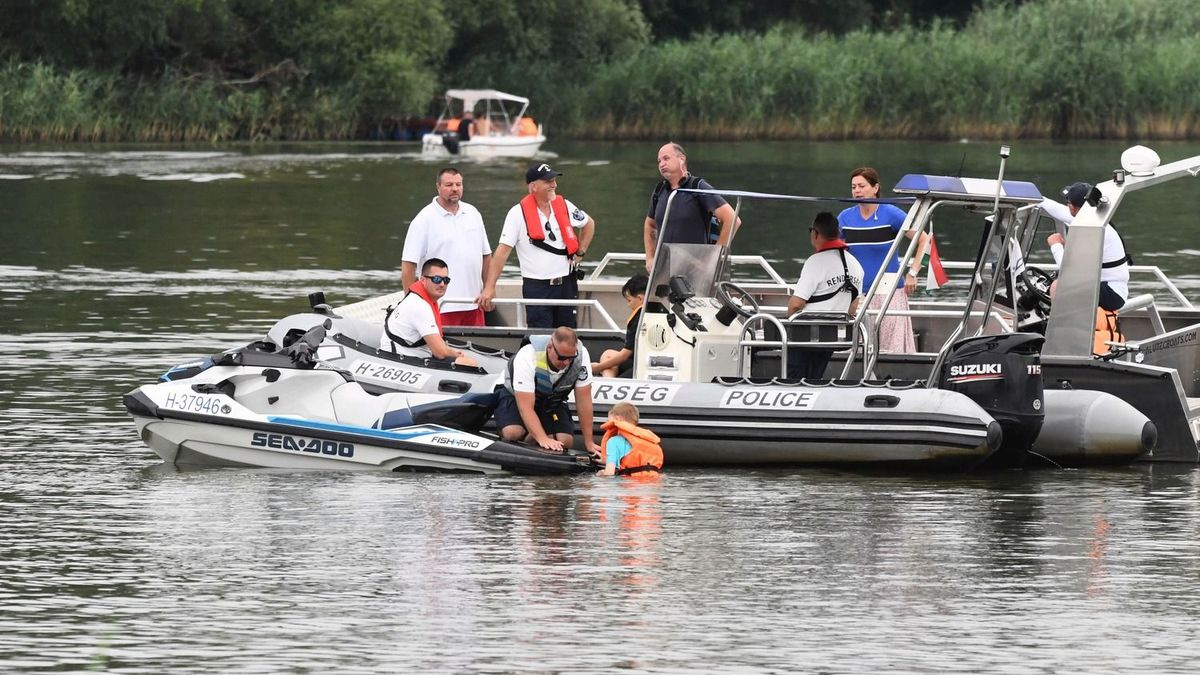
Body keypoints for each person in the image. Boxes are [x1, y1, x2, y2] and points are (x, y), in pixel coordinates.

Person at [477, 163, 596, 328]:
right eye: (548, 181)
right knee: (540, 338)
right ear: (533, 186)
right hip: (537, 287)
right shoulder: (516, 214)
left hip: (566, 284)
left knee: (568, 334)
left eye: (554, 180)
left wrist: (580, 252)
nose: (554, 185)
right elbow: (502, 252)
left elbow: (589, 224)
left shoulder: (565, 206)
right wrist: (489, 287)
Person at [838, 167, 928, 353]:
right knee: (860, 348)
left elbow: (924, 239)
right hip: (858, 293)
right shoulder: (845, 217)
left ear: (875, 188)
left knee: (890, 349)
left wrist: (913, 272)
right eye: (853, 187)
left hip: (889, 292)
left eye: (862, 186)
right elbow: (834, 251)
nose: (857, 191)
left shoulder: (891, 213)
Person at [401, 167, 492, 326]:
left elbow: (486, 255)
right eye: (449, 185)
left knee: (477, 350)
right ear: (438, 187)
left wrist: (489, 288)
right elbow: (409, 265)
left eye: (458, 184)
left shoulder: (473, 213)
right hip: (440, 306)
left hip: (474, 304)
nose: (455, 189)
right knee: (443, 351)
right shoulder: (423, 220)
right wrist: (411, 304)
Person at [496, 326, 601, 454]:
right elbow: (525, 407)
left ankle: (532, 436)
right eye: (562, 358)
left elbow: (584, 400)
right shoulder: (528, 355)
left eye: (570, 358)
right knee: (512, 432)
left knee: (565, 440)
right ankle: (530, 435)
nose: (566, 362)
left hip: (552, 400)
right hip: (517, 396)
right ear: (550, 347)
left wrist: (588, 442)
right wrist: (542, 438)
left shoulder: (581, 355)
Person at [786, 212, 865, 379]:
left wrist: (790, 325)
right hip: (834, 337)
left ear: (815, 233)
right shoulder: (856, 265)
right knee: (815, 377)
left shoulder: (816, 262)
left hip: (806, 337)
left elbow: (795, 305)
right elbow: (852, 309)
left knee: (794, 377)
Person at [643, 142, 740, 272]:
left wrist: (714, 257)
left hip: (696, 269)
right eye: (659, 161)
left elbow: (733, 220)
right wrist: (650, 258)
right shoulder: (659, 191)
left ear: (681, 159)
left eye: (666, 158)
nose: (661, 164)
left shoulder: (698, 187)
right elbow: (649, 225)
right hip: (665, 268)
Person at [1047, 181, 1130, 312]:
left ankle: (1061, 331)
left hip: (1111, 293)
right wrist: (1038, 200)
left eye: (1068, 203)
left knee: (1058, 286)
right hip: (1113, 289)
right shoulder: (1094, 219)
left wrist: (1055, 244)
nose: (1066, 207)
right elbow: (1059, 211)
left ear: (1073, 208)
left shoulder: (1089, 230)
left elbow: (1069, 272)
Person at [592, 274, 647, 378]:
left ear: (640, 298)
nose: (628, 305)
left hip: (640, 366)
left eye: (629, 300)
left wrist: (597, 367)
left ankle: (608, 382)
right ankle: (608, 380)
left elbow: (624, 355)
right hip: (642, 359)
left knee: (608, 362)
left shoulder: (638, 319)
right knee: (608, 354)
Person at [597, 402, 664, 476]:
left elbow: (609, 474)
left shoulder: (613, 441)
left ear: (617, 419)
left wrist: (601, 474)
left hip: (629, 485)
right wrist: (606, 459)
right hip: (653, 484)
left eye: (608, 420)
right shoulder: (649, 441)